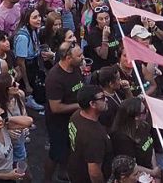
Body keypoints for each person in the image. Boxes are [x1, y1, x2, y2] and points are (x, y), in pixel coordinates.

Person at [44, 41, 85, 181]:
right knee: (56, 153)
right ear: (68, 58)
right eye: (80, 56)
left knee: (69, 149)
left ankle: (63, 172)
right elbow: (55, 107)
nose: (83, 58)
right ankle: (46, 179)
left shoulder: (76, 68)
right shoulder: (54, 78)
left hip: (73, 119)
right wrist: (78, 106)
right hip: (58, 123)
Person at [67, 84, 113, 183]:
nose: (106, 100)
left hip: (75, 171)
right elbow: (94, 173)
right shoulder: (94, 137)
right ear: (92, 104)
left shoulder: (76, 115)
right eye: (102, 98)